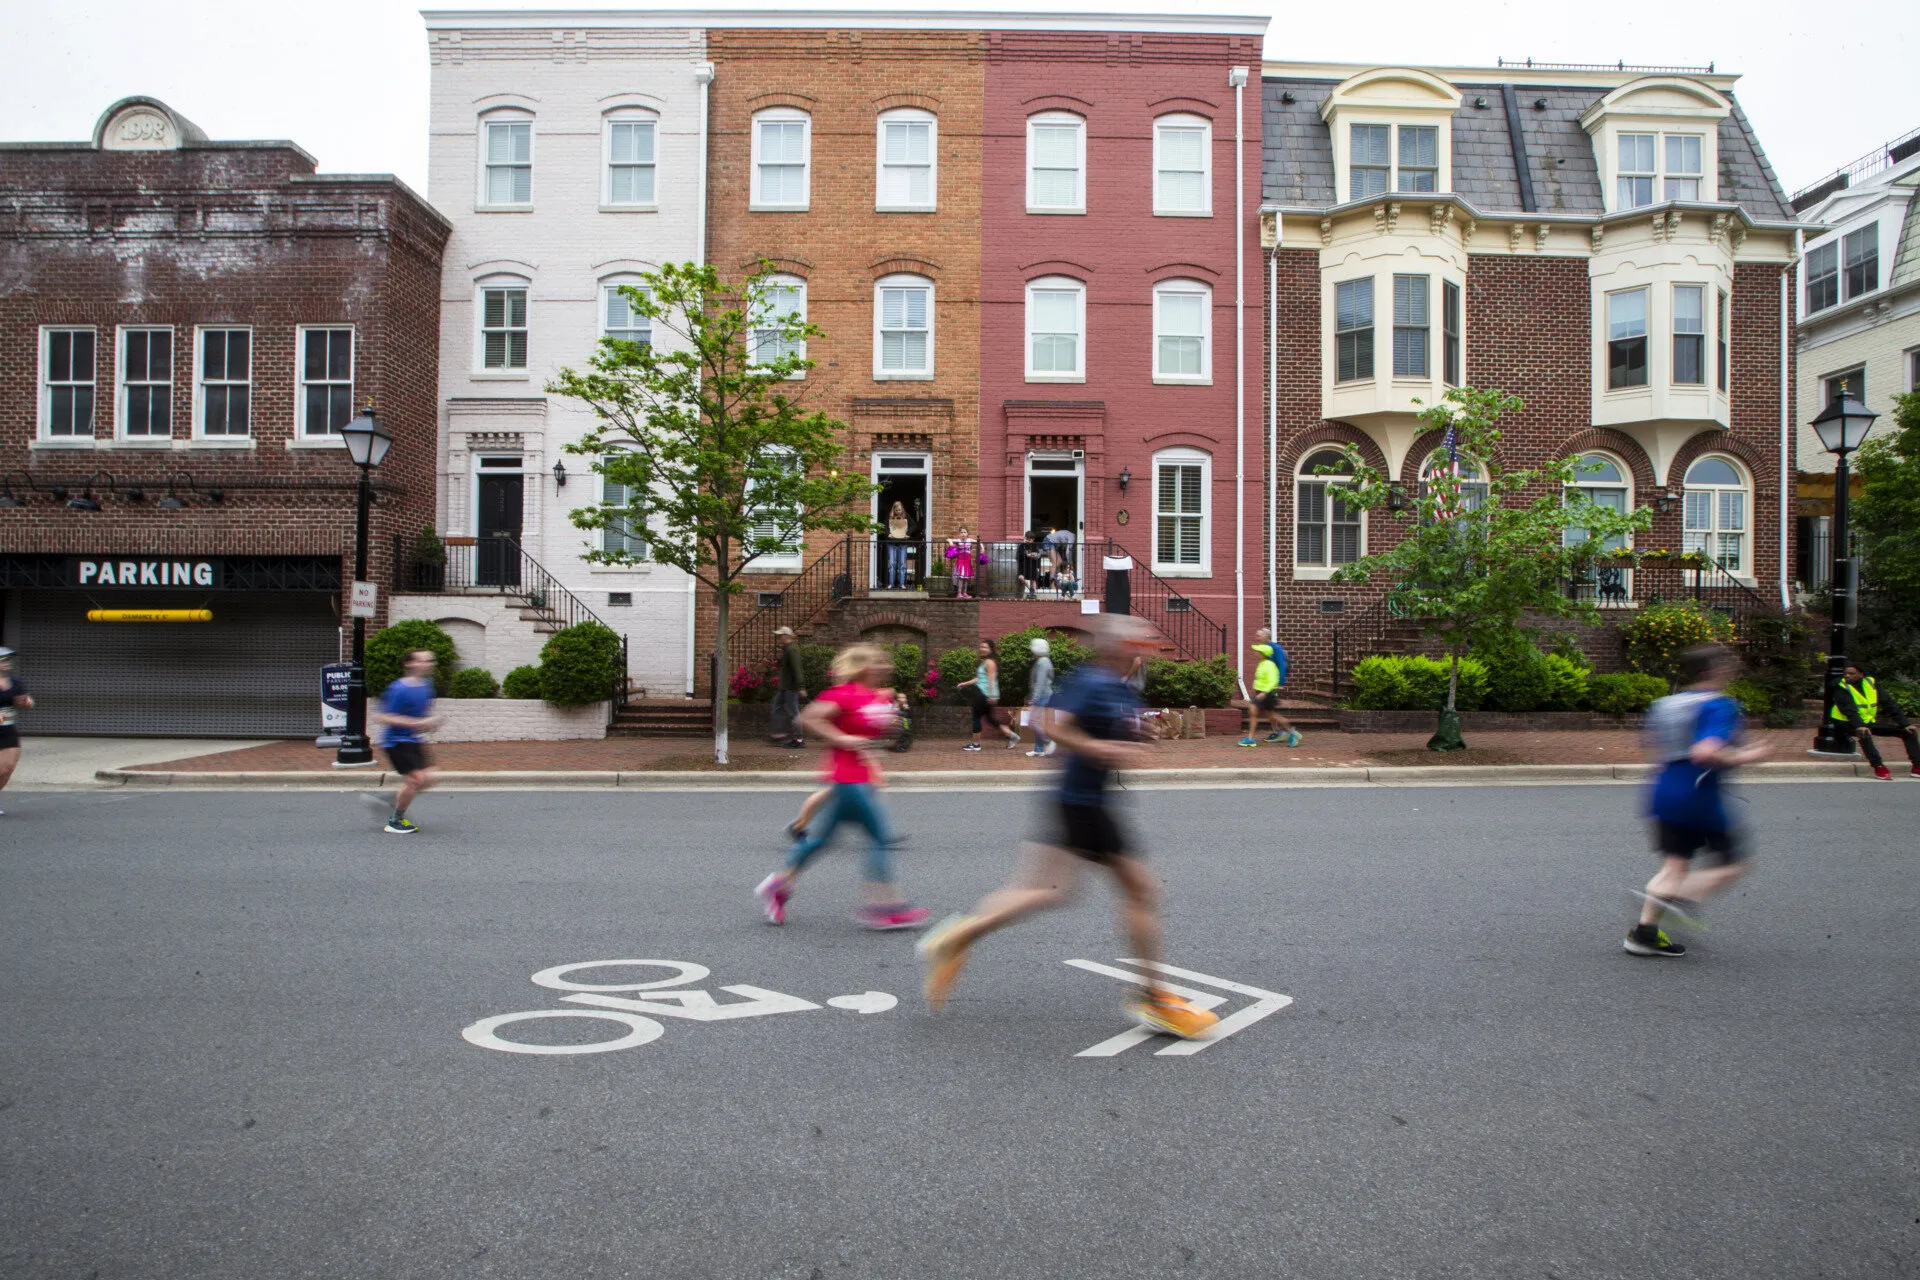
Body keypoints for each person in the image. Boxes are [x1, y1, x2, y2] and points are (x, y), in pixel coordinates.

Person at [917, 615, 1221, 1039]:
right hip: (1084, 803)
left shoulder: (1116, 686)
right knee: (1141, 891)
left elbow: (1111, 729)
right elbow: (1054, 725)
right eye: (1137, 643)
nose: (1143, 649)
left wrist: (1137, 734)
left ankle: (957, 937)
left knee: (1044, 891)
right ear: (1115, 647)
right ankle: (1155, 1000)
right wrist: (1103, 746)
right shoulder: (1094, 681)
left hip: (1076, 800)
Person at [754, 645, 930, 931]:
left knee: (820, 842)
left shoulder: (873, 696)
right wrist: (844, 739)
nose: (886, 667)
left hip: (858, 778)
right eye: (878, 662)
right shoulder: (843, 694)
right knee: (879, 837)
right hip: (847, 779)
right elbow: (808, 718)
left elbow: (877, 729)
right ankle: (885, 907)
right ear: (863, 668)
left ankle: (778, 885)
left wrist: (890, 728)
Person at [1624, 642, 1771, 958]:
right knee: (1734, 864)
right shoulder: (1720, 705)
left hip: (1664, 788)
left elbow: (1652, 744)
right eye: (1725, 667)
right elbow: (1705, 752)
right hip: (1698, 793)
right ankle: (1678, 899)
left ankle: (1644, 934)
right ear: (1710, 672)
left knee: (1675, 865)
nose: (1729, 673)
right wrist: (1749, 755)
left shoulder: (1664, 704)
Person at [373, 648, 442, 835]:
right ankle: (395, 821)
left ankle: (394, 799)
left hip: (414, 739)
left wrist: (429, 723)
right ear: (409, 663)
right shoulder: (398, 688)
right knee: (416, 779)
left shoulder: (427, 685)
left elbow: (422, 714)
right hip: (395, 741)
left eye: (429, 661)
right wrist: (418, 722)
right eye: (422, 661)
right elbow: (383, 717)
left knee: (430, 777)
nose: (427, 664)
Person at [1834, 663, 1920, 780]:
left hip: (1867, 722)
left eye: (1851, 673)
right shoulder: (1841, 687)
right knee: (1864, 734)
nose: (1847, 676)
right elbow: (1848, 709)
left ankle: (1917, 767)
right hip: (1845, 723)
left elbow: (1888, 703)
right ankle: (1878, 767)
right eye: (1845, 674)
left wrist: (1905, 724)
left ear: (1861, 674)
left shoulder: (1870, 683)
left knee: (1908, 731)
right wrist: (1859, 726)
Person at [1232, 629, 1302, 747]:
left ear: (1266, 637)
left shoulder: (1273, 653)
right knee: (1267, 714)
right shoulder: (1262, 659)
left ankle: (1289, 732)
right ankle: (1279, 733)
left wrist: (1277, 684)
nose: (1256, 637)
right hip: (1262, 690)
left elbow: (1280, 666)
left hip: (1267, 691)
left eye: (1258, 635)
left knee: (1267, 713)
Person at [957, 638, 1021, 751]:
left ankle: (976, 745)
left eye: (985, 647)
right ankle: (1013, 735)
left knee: (976, 717)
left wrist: (991, 696)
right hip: (985, 694)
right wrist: (965, 683)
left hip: (983, 693)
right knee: (991, 719)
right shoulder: (986, 661)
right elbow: (980, 678)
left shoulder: (989, 662)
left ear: (991, 649)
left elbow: (992, 679)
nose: (982, 648)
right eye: (981, 646)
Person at [0, 647, 35, 815]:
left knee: (7, 768)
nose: (7, 663)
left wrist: (27, 703)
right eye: (3, 660)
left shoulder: (16, 682)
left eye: (8, 660)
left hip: (8, 730)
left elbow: (26, 701)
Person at [771, 627, 806, 749]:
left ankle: (799, 739)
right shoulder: (786, 649)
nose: (779, 638)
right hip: (784, 687)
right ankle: (779, 734)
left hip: (791, 687)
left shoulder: (792, 650)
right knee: (777, 709)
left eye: (780, 635)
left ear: (786, 636)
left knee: (793, 712)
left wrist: (801, 686)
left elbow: (797, 669)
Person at [1025, 636, 1056, 758]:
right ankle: (1038, 749)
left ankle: (1049, 742)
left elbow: (1040, 682)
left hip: (1041, 696)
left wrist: (1034, 698)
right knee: (1035, 722)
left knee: (1032, 722)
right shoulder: (1043, 661)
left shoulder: (1043, 662)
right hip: (1042, 695)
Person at [885, 501, 912, 590]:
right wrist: (888, 533)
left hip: (903, 543)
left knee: (902, 565)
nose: (898, 512)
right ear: (894, 509)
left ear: (902, 509)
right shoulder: (890, 517)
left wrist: (908, 533)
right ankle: (891, 584)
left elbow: (914, 525)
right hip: (892, 543)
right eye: (896, 510)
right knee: (892, 564)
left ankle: (902, 584)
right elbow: (885, 526)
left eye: (900, 510)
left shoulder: (906, 516)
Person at [1044, 525, 1076, 597]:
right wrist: (1071, 564)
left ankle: (1059, 583)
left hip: (1053, 543)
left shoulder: (1070, 536)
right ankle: (1052, 585)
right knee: (1054, 564)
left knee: (1060, 564)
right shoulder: (1072, 537)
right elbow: (1068, 552)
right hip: (1049, 541)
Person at [946, 528, 978, 600]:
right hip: (960, 561)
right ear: (960, 534)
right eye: (961, 532)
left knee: (966, 578)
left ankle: (965, 593)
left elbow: (979, 542)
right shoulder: (958, 541)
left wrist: (982, 548)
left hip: (967, 561)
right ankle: (959, 592)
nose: (963, 534)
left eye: (965, 532)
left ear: (967, 534)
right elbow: (948, 539)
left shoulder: (970, 540)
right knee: (961, 577)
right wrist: (950, 542)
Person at [1017, 530, 1043, 600]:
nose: (1029, 541)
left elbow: (1039, 555)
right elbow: (1019, 555)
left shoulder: (1035, 546)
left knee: (1033, 580)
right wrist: (1027, 555)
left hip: (1032, 565)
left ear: (1033, 539)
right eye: (1027, 539)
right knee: (1021, 577)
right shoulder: (1022, 546)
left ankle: (1033, 594)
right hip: (1023, 565)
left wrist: (1035, 555)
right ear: (1025, 538)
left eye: (1030, 539)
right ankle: (1031, 590)